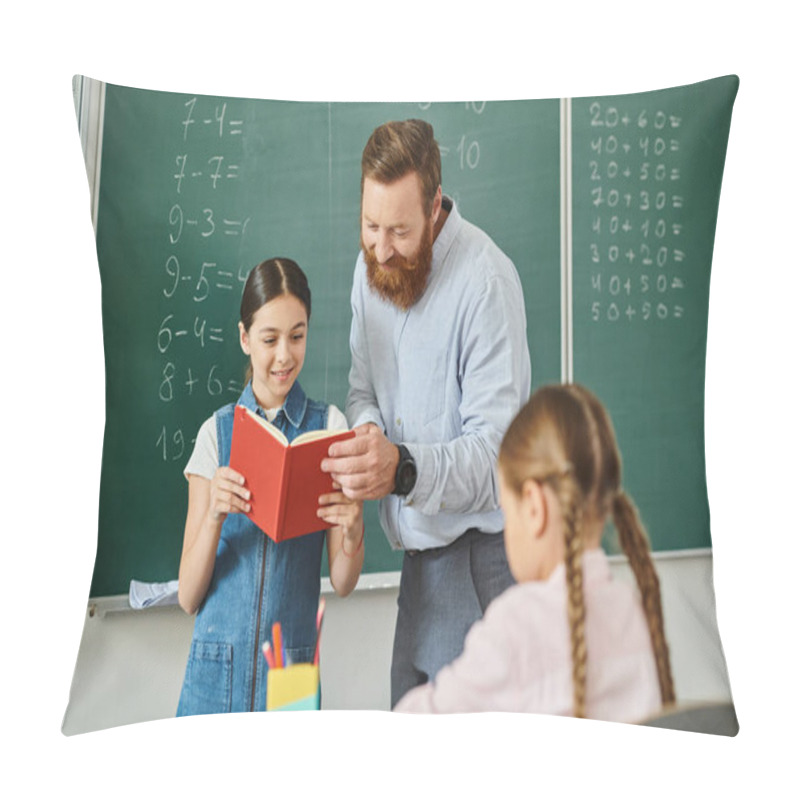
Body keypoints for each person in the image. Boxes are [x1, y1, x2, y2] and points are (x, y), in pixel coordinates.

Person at [321, 119, 531, 707]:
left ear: (435, 206)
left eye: (400, 231)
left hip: (480, 567)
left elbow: (498, 460)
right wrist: (367, 438)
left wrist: (401, 469)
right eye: (369, 226)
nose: (382, 248)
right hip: (418, 576)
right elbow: (363, 388)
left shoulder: (486, 283)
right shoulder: (370, 274)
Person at [394, 383, 675, 721]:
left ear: (534, 508)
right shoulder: (632, 608)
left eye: (507, 511)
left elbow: (417, 721)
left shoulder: (517, 626)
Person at [176, 257, 364, 716]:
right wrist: (215, 515)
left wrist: (355, 530)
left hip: (291, 674)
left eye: (297, 336)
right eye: (270, 339)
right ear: (245, 338)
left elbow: (342, 582)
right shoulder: (215, 435)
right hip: (215, 670)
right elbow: (187, 596)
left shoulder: (330, 428)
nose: (285, 355)